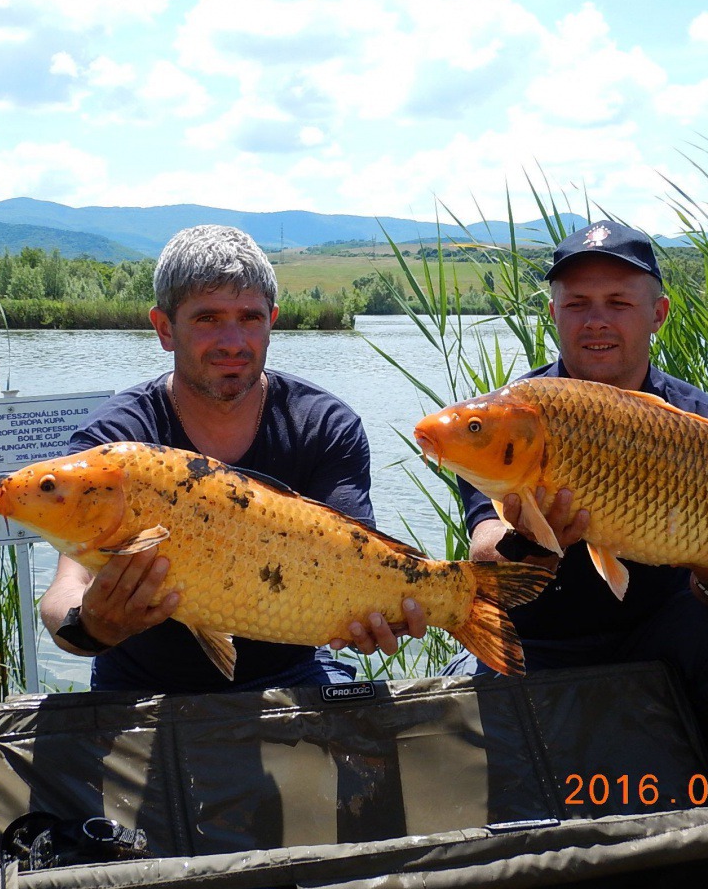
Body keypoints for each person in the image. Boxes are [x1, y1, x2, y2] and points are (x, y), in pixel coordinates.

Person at [442, 221, 708, 739]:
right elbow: (486, 548)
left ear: (658, 315)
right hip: (542, 635)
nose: (596, 322)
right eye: (578, 303)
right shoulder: (506, 420)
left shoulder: (707, 426)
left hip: (667, 627)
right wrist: (530, 542)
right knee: (476, 719)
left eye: (619, 303)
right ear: (553, 313)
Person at [40, 224, 426, 694]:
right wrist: (92, 628)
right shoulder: (116, 445)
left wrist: (385, 612)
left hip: (295, 668)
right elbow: (63, 594)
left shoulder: (325, 425)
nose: (232, 341)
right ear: (165, 328)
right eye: (207, 319)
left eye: (249, 318)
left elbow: (360, 556)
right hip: (142, 681)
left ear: (272, 321)